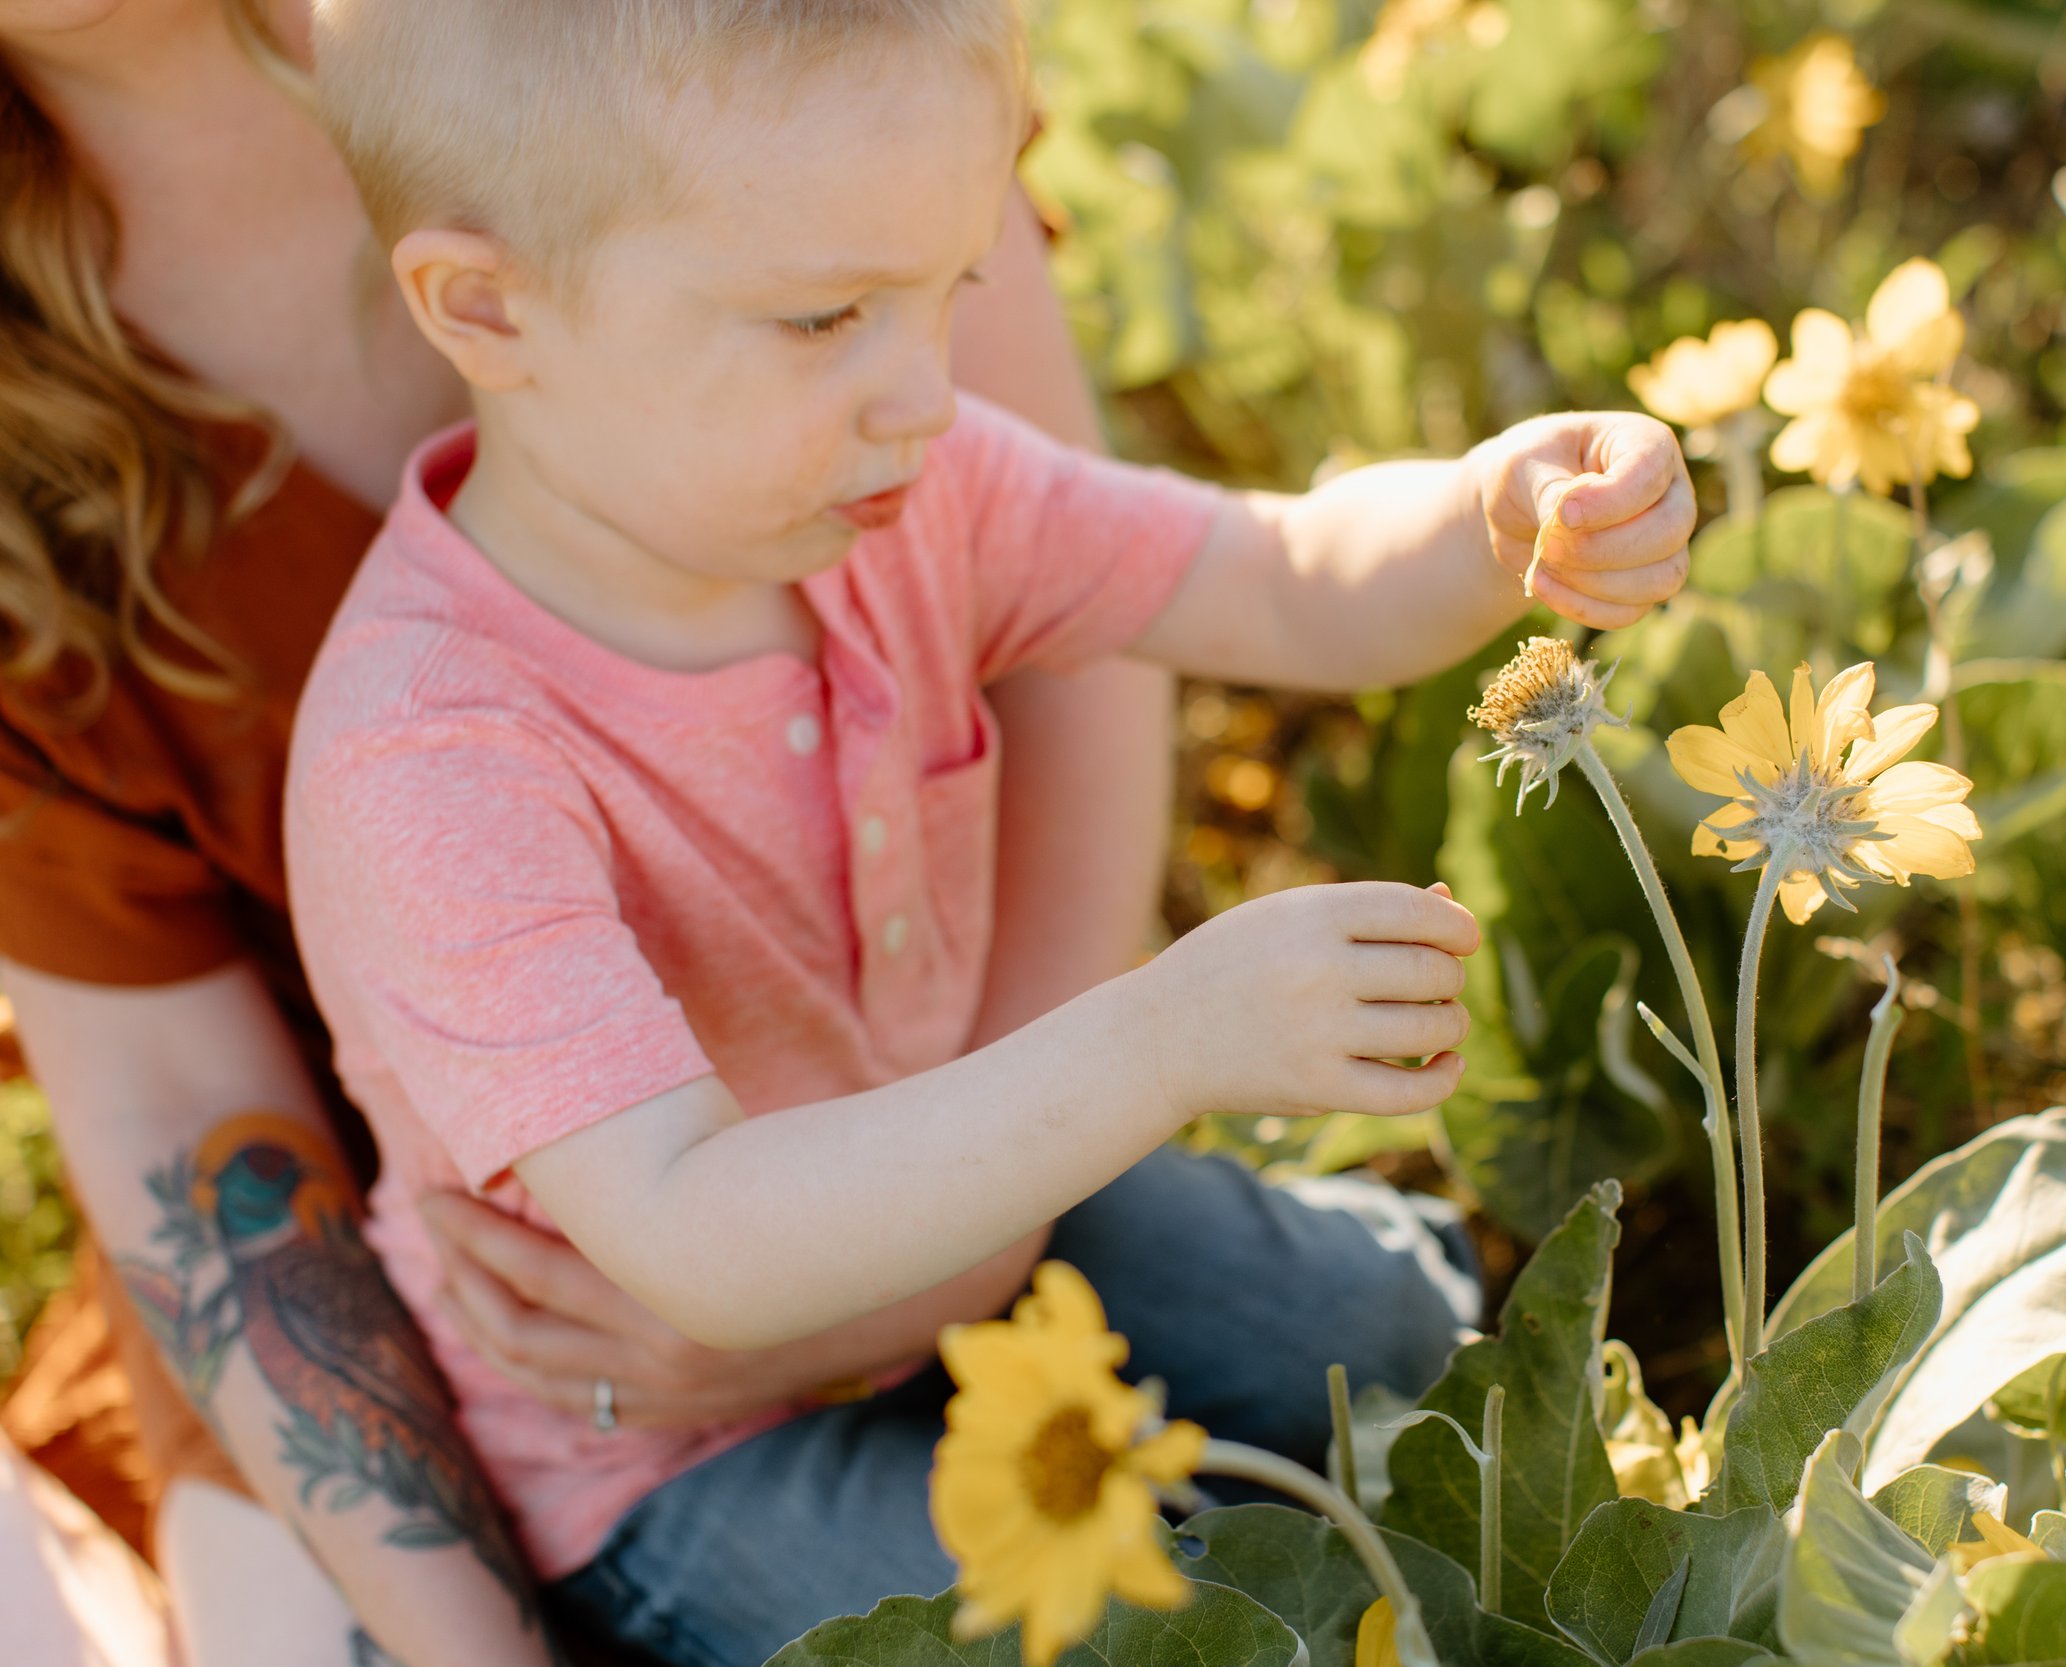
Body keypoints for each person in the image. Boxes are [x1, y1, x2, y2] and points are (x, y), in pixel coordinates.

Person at [285, 1, 1698, 1663]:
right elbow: (698, 1236)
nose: (925, 396)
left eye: (949, 293)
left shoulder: (900, 503)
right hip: (669, 1433)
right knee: (1155, 1627)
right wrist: (1166, 1040)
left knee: (1387, 1333)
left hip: (965, 1182)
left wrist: (1485, 517)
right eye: (823, 318)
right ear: (486, 305)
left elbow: (1270, 573)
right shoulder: (432, 753)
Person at [0, 0, 1181, 1660]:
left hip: (948, 1072)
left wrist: (958, 1240)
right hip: (485, 1305)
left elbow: (1080, 607)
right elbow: (187, 1121)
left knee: (1341, 1398)